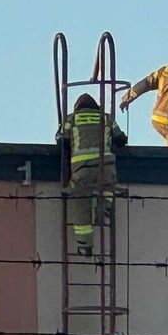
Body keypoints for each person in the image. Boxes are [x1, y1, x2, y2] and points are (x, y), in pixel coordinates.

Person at [56, 93, 127, 256]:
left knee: (80, 203)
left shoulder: (71, 119)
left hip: (82, 169)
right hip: (106, 166)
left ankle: (85, 246)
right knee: (108, 185)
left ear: (77, 108)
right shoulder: (107, 118)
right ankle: (104, 210)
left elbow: (61, 141)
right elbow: (121, 140)